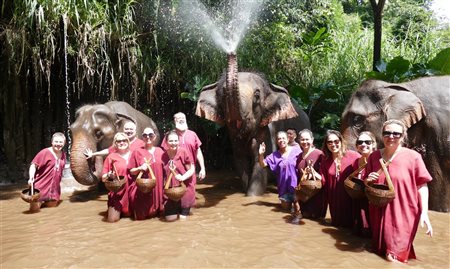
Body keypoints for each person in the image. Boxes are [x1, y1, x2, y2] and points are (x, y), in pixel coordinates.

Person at [365, 119, 433, 263]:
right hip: (378, 211)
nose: (391, 136)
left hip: (404, 213)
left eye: (396, 133)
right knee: (380, 252)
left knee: (392, 257)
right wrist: (368, 180)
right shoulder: (374, 156)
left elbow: (422, 186)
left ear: (403, 136)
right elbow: (367, 184)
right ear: (382, 135)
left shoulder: (413, 157)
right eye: (387, 133)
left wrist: (425, 213)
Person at [258, 131, 302, 224]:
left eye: (283, 138)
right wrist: (261, 154)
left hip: (296, 189)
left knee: (297, 215)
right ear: (276, 141)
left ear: (288, 139)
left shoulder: (296, 151)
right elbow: (262, 164)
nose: (281, 140)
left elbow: (305, 161)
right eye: (279, 138)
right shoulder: (274, 155)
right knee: (284, 214)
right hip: (283, 190)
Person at [320, 130, 360, 228]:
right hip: (334, 200)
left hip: (350, 198)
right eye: (330, 142)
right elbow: (323, 180)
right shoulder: (326, 160)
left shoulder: (353, 156)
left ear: (341, 141)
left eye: (336, 141)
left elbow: (364, 168)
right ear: (326, 144)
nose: (333, 144)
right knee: (337, 228)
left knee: (351, 228)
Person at [128, 127, 164, 220]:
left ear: (155, 137)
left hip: (158, 189)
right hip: (143, 189)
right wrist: (140, 168)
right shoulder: (137, 152)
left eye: (150, 135)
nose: (148, 137)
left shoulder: (160, 151)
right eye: (145, 135)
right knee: (141, 217)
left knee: (158, 218)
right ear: (142, 137)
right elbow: (131, 171)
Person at [27, 132, 66, 212]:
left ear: (64, 143)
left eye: (61, 142)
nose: (58, 144)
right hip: (40, 190)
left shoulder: (63, 155)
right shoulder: (44, 152)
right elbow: (33, 165)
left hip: (54, 192)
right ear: (52, 142)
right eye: (56, 142)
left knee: (51, 214)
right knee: (34, 212)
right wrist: (31, 177)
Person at [161, 131, 196, 221]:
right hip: (170, 193)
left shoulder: (183, 152)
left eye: (176, 141)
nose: (173, 143)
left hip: (184, 190)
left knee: (182, 220)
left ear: (178, 141)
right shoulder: (163, 156)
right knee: (170, 220)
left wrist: (183, 177)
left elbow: (191, 169)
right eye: (171, 141)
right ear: (166, 142)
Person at [161, 112, 206, 181]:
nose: (181, 119)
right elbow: (164, 154)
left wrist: (202, 168)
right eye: (178, 118)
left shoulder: (193, 134)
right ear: (174, 121)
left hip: (190, 170)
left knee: (190, 191)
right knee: (173, 191)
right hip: (174, 172)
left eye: (183, 118)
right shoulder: (169, 136)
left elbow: (198, 152)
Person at [296, 129, 326, 220]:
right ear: (299, 141)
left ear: (312, 140)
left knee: (316, 220)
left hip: (317, 194)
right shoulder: (299, 156)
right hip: (304, 194)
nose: (305, 142)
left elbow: (325, 176)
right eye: (302, 139)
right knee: (304, 219)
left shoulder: (319, 154)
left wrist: (313, 172)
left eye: (307, 139)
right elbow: (299, 177)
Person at [101, 132, 131, 222]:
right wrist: (109, 175)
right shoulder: (111, 157)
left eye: (124, 140)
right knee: (112, 221)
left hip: (132, 192)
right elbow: (103, 177)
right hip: (117, 193)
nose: (122, 143)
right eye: (119, 141)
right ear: (115, 143)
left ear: (128, 141)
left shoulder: (134, 154)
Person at [352, 131, 377, 237]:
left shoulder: (378, 160)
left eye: (367, 142)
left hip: (374, 201)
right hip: (360, 200)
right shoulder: (356, 162)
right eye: (360, 142)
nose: (363, 144)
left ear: (374, 144)